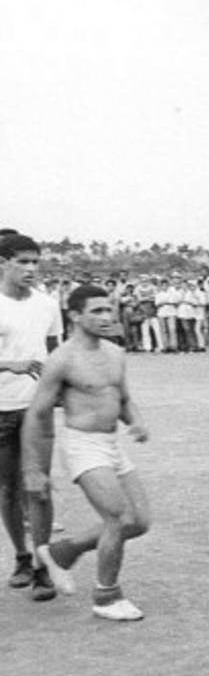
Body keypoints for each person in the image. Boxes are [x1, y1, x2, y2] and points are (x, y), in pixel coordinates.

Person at [22, 285, 152, 619]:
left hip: (111, 444)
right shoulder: (62, 359)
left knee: (139, 522)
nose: (107, 317)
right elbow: (37, 415)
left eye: (109, 309)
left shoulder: (115, 352)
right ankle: (107, 596)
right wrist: (34, 469)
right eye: (97, 311)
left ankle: (62, 552)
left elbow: (122, 399)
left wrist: (136, 421)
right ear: (75, 316)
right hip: (82, 445)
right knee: (118, 517)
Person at [0, 234, 63, 600]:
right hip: (1, 410)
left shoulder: (47, 305)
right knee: (9, 491)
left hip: (36, 411)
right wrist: (11, 364)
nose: (30, 269)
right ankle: (21, 558)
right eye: (22, 261)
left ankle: (43, 565)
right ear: (3, 262)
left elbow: (57, 352)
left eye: (35, 262)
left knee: (37, 488)